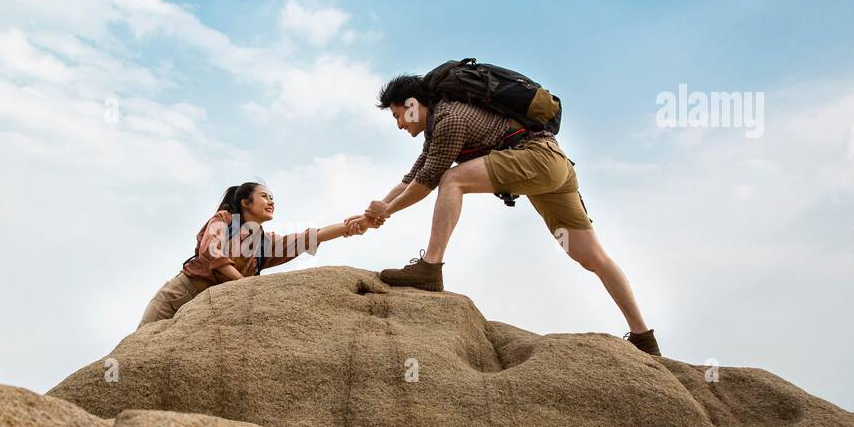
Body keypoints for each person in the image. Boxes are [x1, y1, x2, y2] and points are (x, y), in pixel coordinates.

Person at [346, 73, 662, 356]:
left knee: (452, 180)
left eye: (398, 115)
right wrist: (376, 209)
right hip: (552, 165)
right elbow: (414, 174)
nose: (399, 124)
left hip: (536, 158)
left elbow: (428, 181)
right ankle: (643, 337)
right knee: (591, 255)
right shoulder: (439, 126)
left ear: (413, 104)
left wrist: (386, 210)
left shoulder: (450, 119)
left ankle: (430, 267)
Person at [138, 182, 365, 328]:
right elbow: (211, 251)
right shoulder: (225, 219)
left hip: (207, 308)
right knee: (139, 347)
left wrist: (352, 226)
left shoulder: (263, 243)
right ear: (246, 202)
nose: (271, 201)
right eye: (265, 196)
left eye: (272, 197)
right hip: (180, 294)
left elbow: (310, 237)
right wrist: (245, 285)